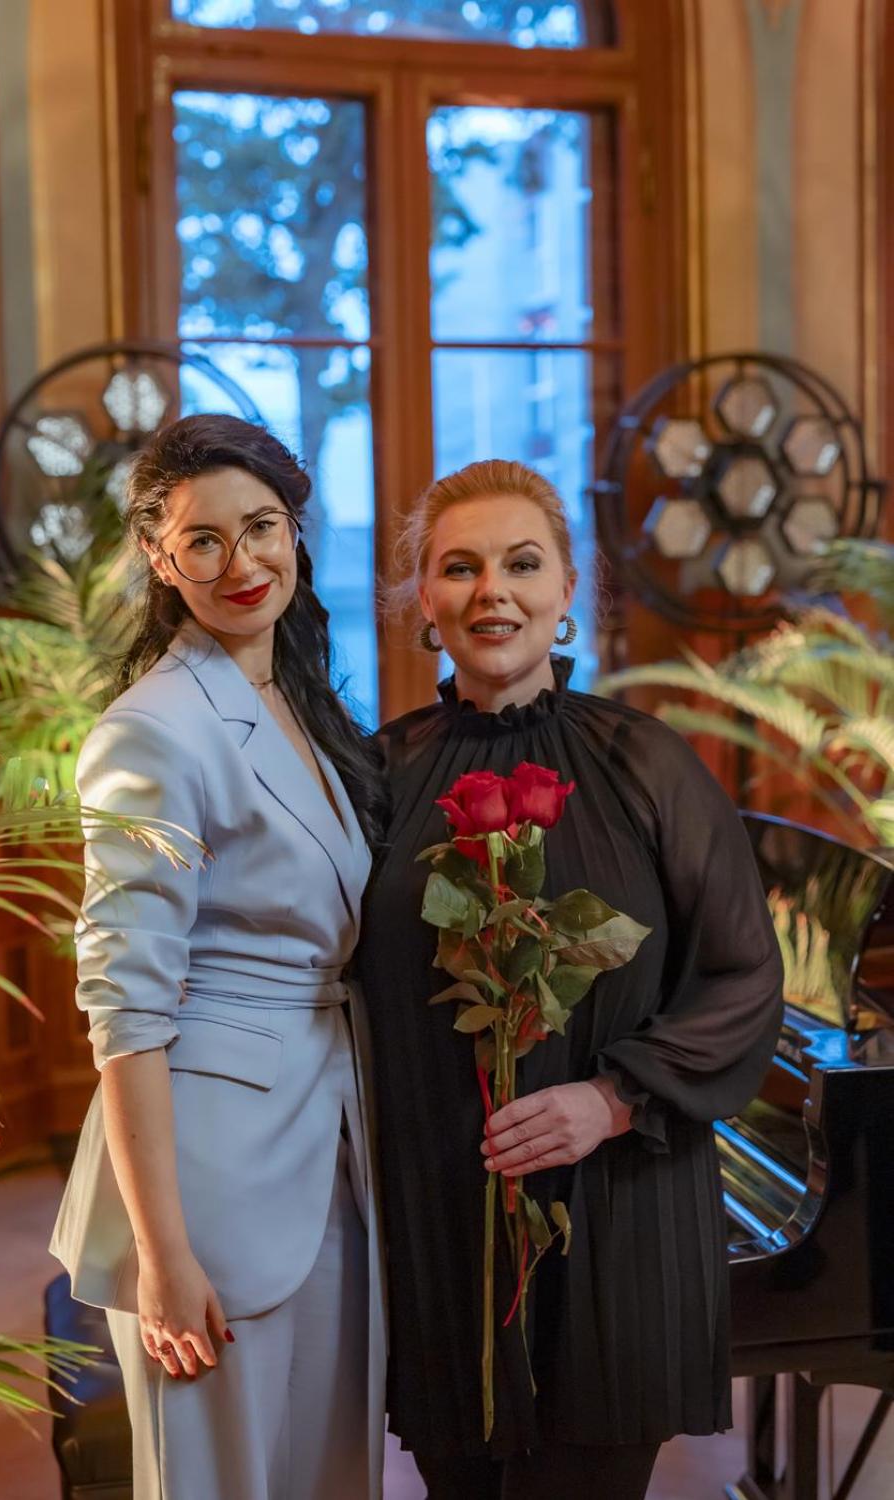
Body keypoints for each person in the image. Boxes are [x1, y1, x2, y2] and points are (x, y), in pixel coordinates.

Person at [359, 458, 784, 1500]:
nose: (491, 592)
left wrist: (613, 1098)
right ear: (424, 601)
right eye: (459, 568)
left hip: (619, 1208)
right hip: (443, 1212)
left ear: (565, 592)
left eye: (521, 564)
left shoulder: (648, 762)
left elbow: (742, 974)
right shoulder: (375, 777)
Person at [50, 414, 387, 1500]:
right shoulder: (153, 728)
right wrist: (163, 1257)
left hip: (325, 1143)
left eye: (262, 527)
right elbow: (125, 1008)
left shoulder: (291, 698)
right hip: (206, 1181)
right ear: (159, 557)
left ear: (296, 530)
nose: (241, 563)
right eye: (203, 540)